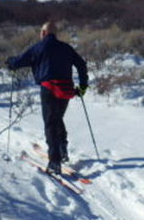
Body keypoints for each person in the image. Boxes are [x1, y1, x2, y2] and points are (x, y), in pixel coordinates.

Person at [5, 21, 88, 174]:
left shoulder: (38, 47)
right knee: (57, 119)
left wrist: (11, 62)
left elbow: (20, 61)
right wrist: (82, 87)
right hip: (66, 90)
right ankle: (62, 148)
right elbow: (81, 65)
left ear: (43, 33)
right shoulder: (66, 48)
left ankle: (55, 160)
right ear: (54, 33)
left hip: (49, 89)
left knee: (50, 123)